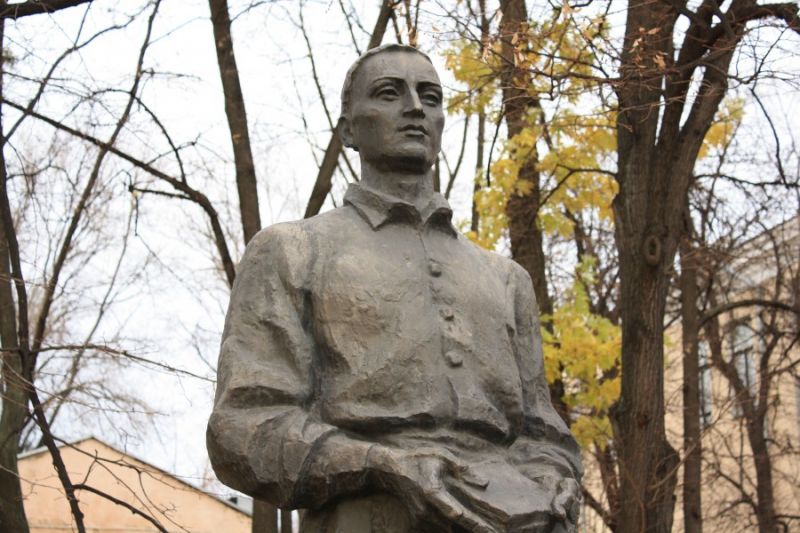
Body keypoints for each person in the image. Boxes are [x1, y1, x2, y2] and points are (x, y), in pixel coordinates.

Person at [207, 44, 582, 533]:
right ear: (348, 130)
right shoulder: (293, 250)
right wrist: (379, 464)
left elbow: (544, 436)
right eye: (389, 93)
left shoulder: (507, 279)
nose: (414, 108)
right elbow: (242, 429)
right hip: (365, 514)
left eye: (430, 97)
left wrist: (555, 477)